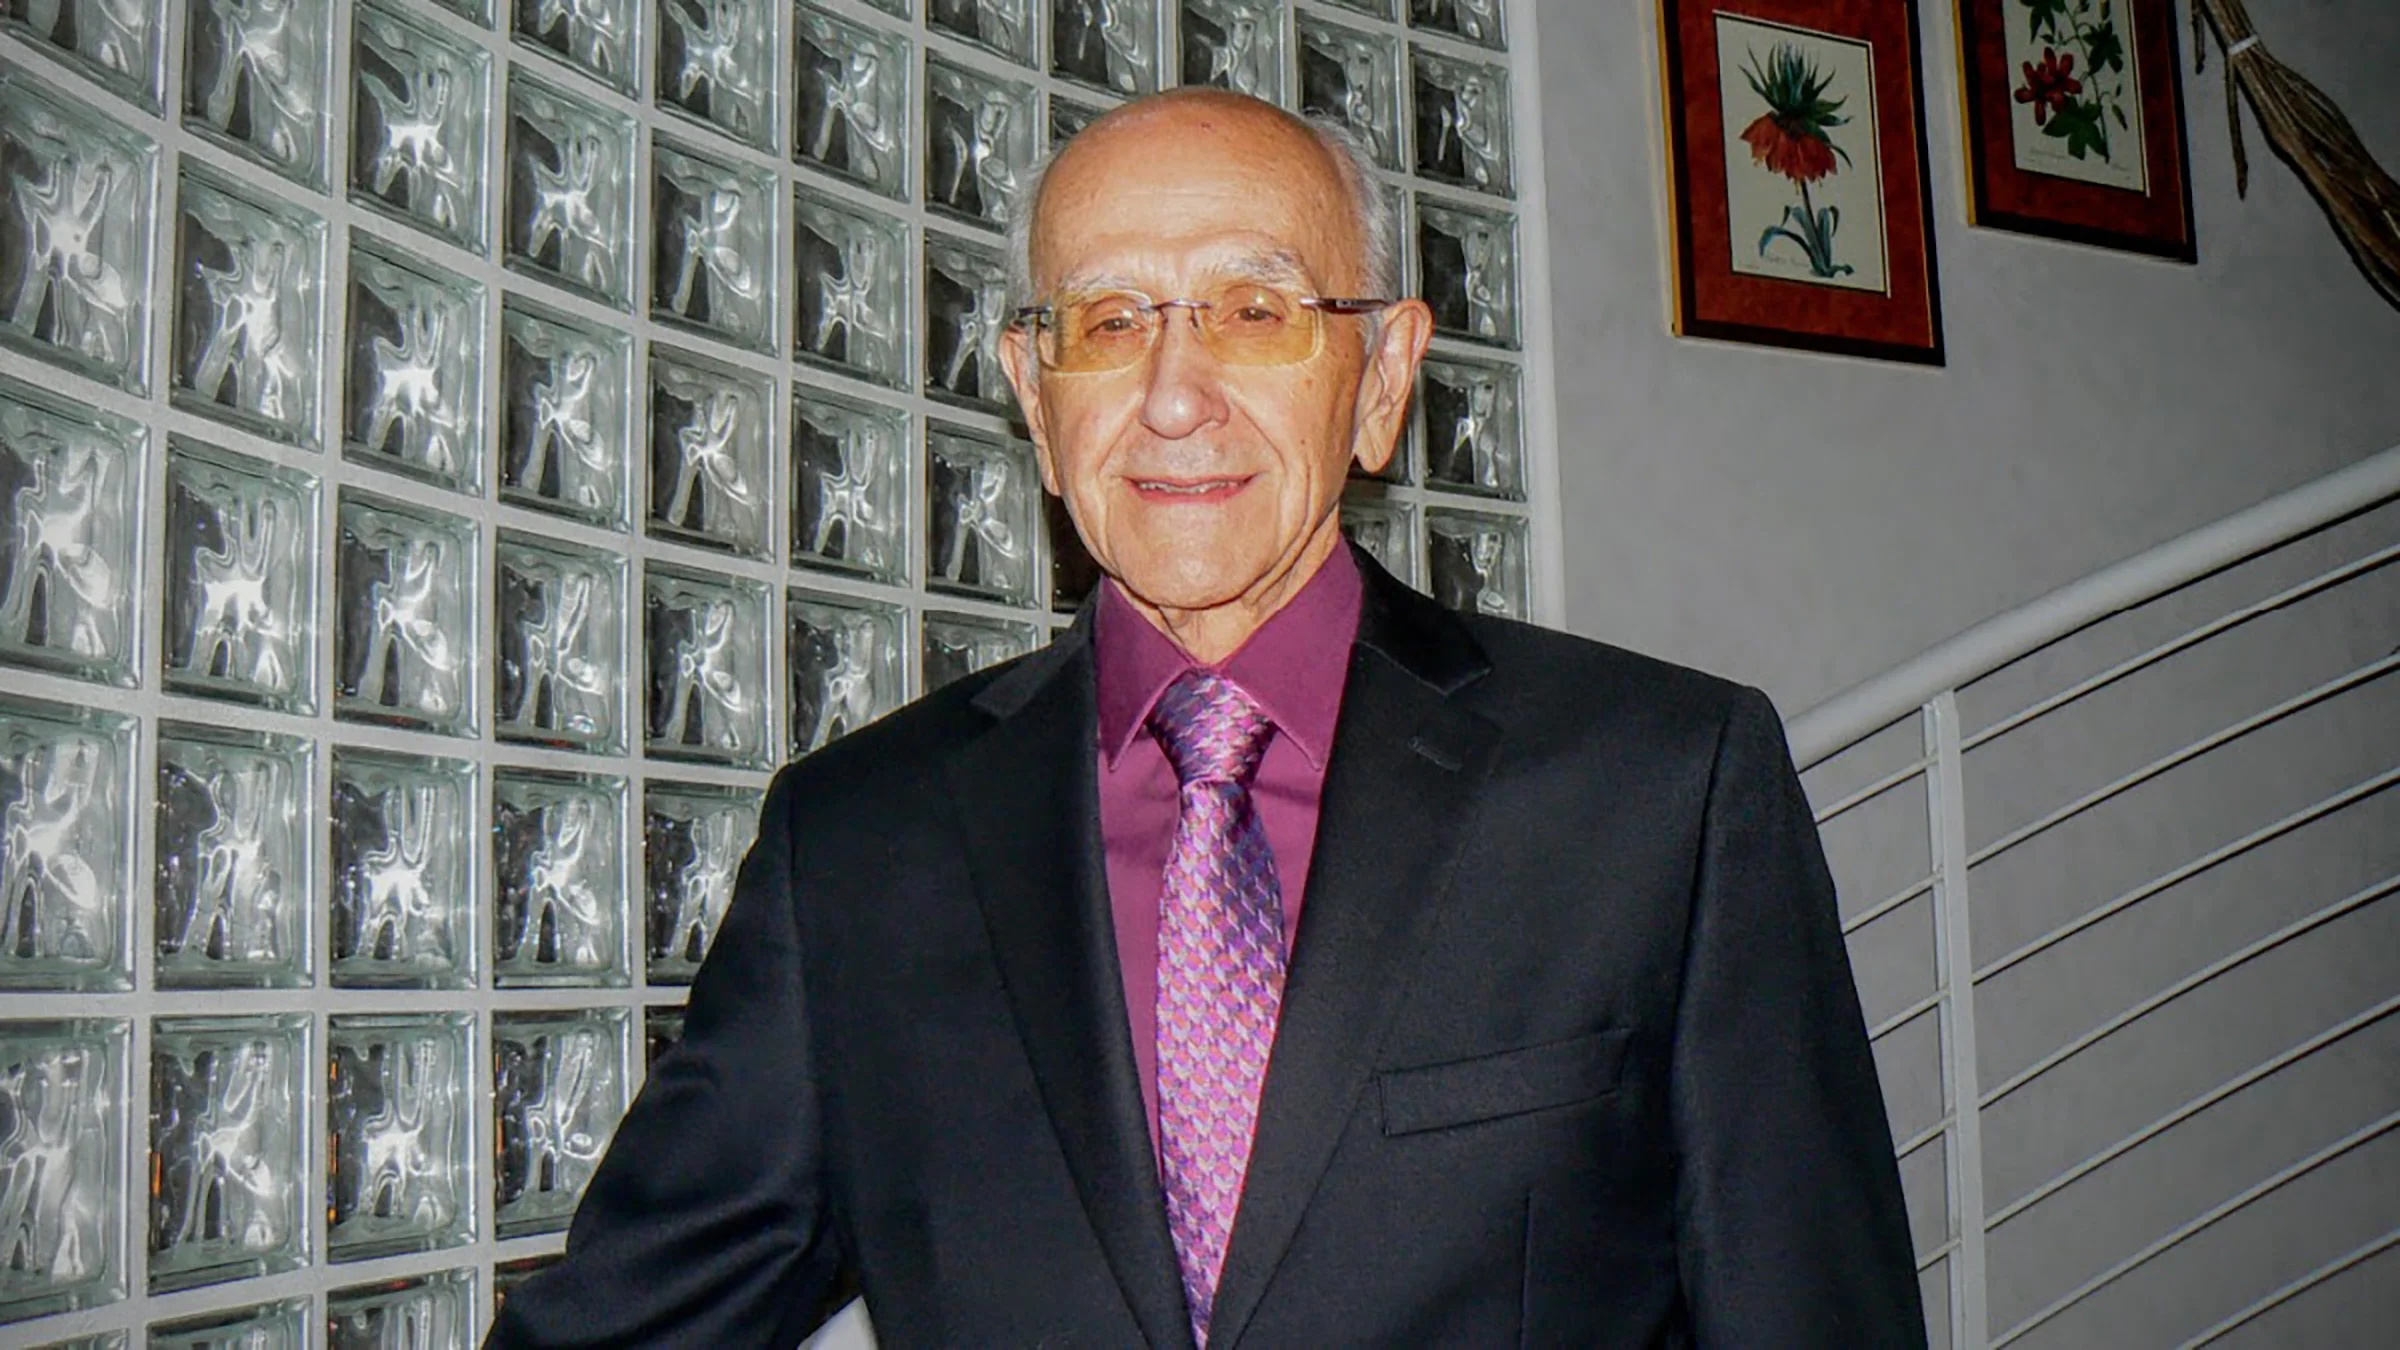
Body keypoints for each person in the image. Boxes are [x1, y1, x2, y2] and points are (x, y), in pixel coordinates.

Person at [486, 88, 1924, 1348]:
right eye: (1110, 322)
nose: (1176, 397)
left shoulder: (1661, 791)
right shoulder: (855, 845)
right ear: (1036, 399)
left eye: (1255, 310)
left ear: (1383, 378)